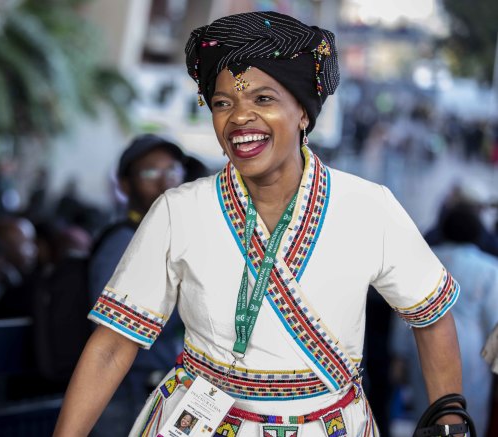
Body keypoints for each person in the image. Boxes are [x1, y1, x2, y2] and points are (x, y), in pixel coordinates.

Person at [54, 11, 464, 436]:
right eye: (222, 103)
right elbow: (113, 345)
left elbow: (432, 316)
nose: (239, 117)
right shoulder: (179, 210)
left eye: (263, 99)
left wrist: (451, 428)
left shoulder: (369, 207)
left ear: (303, 112)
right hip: (200, 424)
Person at [88, 133, 188, 436]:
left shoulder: (167, 237)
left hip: (155, 391)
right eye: (150, 172)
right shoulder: (122, 243)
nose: (165, 181)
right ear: (124, 185)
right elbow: (112, 336)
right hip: (126, 398)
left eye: (172, 170)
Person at [392, 204, 498, 436]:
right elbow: (494, 320)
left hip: (423, 346)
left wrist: (398, 354)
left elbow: (403, 310)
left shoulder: (423, 262)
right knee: (471, 420)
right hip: (472, 354)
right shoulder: (489, 268)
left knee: (428, 415)